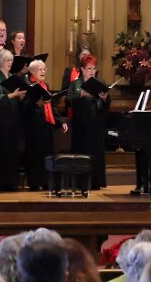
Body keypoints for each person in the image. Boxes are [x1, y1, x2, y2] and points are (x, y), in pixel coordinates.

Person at [0, 49, 26, 191]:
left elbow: (16, 96)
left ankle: (11, 182)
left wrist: (20, 96)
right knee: (1, 152)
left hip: (12, 120)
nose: (10, 63)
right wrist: (12, 95)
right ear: (1, 61)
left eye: (11, 60)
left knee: (12, 152)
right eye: (8, 60)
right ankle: (0, 183)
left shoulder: (12, 77)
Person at [66, 55, 110, 190]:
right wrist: (81, 95)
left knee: (96, 152)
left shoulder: (99, 82)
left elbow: (106, 104)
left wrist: (104, 99)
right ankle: (80, 182)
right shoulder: (76, 83)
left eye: (93, 69)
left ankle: (96, 181)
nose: (92, 71)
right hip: (81, 125)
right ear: (83, 69)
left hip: (96, 124)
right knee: (82, 151)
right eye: (89, 68)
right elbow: (68, 100)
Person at [23, 59, 68, 191]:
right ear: (32, 72)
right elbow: (25, 107)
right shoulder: (28, 86)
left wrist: (60, 121)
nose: (43, 71)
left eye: (44, 69)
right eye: (40, 69)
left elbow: (52, 106)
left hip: (46, 126)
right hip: (34, 126)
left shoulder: (45, 85)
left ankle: (47, 182)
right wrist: (36, 104)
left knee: (48, 154)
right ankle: (35, 182)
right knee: (35, 155)